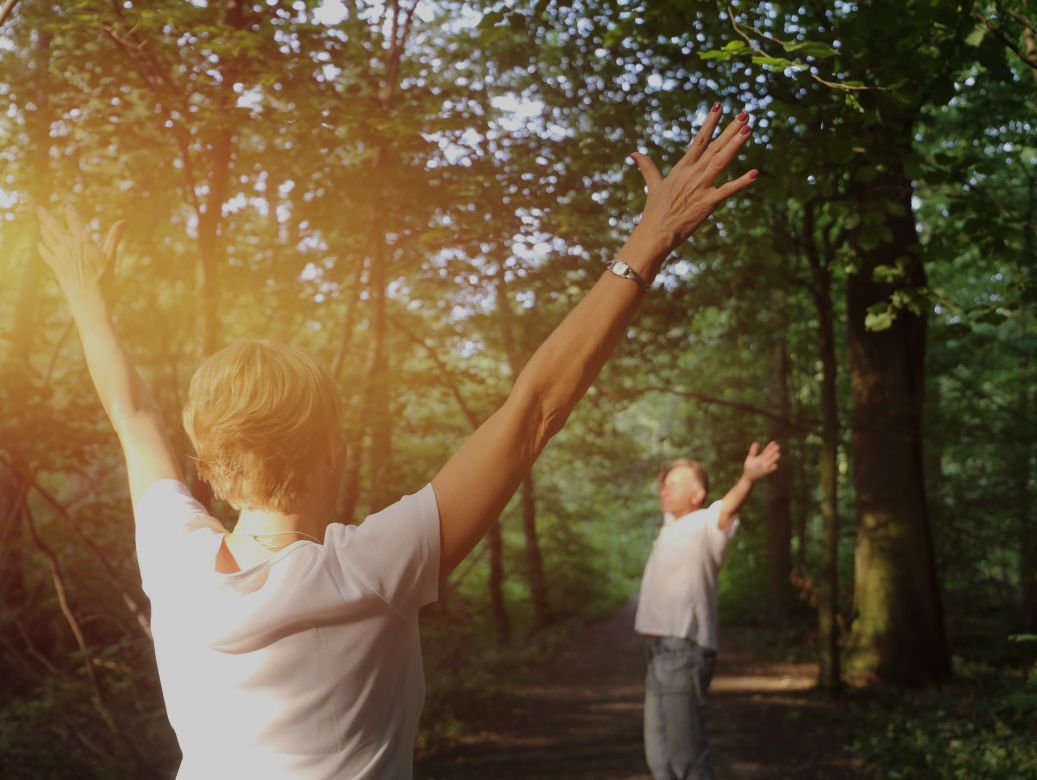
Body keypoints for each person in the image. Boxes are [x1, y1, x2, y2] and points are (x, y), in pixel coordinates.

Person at [36, 101, 758, 779]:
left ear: (214, 467)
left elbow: (132, 416)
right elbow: (533, 408)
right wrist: (649, 240)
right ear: (332, 451)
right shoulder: (372, 570)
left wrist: (83, 295)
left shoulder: (174, 559)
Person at [635, 443, 782, 780]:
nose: (665, 489)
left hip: (683, 651)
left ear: (697, 494)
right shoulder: (669, 527)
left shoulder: (706, 525)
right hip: (656, 654)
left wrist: (748, 479)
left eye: (675, 484)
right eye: (665, 483)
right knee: (659, 759)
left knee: (687, 759)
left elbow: (727, 508)